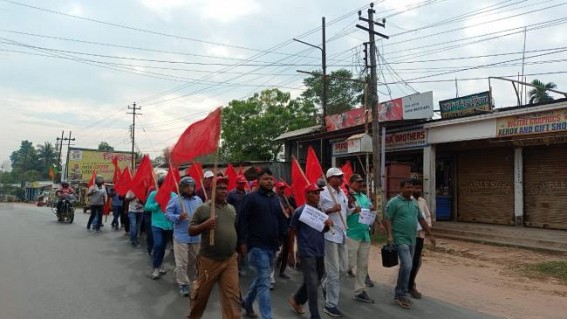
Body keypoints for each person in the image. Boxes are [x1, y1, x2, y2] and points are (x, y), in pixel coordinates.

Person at [238, 167, 288, 319]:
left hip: (272, 245)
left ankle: (247, 303)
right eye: (266, 179)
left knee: (262, 277)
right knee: (264, 282)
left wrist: (283, 237)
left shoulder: (275, 199)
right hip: (256, 245)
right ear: (258, 181)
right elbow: (242, 221)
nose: (269, 181)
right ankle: (267, 316)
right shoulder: (251, 198)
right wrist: (242, 242)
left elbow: (281, 220)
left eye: (271, 179)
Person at [187, 177, 241, 319]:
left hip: (230, 259)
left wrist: (238, 249)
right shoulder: (203, 209)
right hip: (209, 261)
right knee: (200, 297)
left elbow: (233, 229)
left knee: (233, 297)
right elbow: (191, 230)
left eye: (225, 188)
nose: (223, 191)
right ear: (211, 190)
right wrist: (205, 225)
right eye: (220, 188)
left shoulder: (231, 209)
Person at [384, 179, 435, 309]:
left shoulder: (414, 203)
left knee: (408, 266)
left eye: (411, 187)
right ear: (401, 188)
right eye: (407, 187)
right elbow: (388, 219)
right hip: (399, 238)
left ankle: (401, 289)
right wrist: (390, 235)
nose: (410, 190)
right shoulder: (394, 202)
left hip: (412, 238)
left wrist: (430, 234)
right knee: (407, 265)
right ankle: (401, 294)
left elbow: (421, 219)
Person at [288, 183, 334, 319]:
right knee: (313, 285)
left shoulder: (320, 211)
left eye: (318, 193)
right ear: (307, 195)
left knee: (315, 280)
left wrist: (328, 225)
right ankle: (315, 315)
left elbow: (323, 230)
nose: (317, 196)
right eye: (314, 193)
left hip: (320, 251)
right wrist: (292, 252)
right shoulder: (299, 212)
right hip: (307, 253)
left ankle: (297, 299)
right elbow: (292, 232)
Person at [319, 167, 353, 317]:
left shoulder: (342, 193)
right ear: (330, 178)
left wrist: (353, 209)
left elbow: (345, 211)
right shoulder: (322, 193)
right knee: (333, 271)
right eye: (338, 177)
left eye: (342, 177)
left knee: (344, 268)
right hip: (330, 235)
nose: (341, 179)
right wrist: (330, 210)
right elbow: (317, 213)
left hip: (342, 234)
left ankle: (325, 284)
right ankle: (330, 304)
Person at [165, 176, 202, 297]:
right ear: (182, 188)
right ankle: (183, 284)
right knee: (182, 263)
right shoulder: (176, 200)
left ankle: (189, 279)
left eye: (192, 186)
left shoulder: (198, 200)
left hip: (196, 236)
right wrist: (178, 217)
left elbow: (203, 214)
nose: (190, 189)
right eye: (187, 186)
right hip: (181, 236)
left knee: (192, 262)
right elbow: (168, 213)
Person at [344, 174, 377, 304]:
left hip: (365, 234)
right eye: (358, 182)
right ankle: (329, 281)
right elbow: (342, 213)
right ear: (351, 183)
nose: (361, 185)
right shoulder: (346, 197)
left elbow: (371, 211)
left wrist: (373, 210)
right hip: (352, 234)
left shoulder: (364, 197)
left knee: (363, 265)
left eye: (362, 183)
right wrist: (352, 210)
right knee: (348, 264)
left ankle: (360, 291)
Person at [145, 176, 175, 280]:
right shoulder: (154, 194)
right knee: (158, 244)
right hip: (157, 224)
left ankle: (160, 264)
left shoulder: (174, 195)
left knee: (163, 246)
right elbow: (147, 207)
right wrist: (157, 204)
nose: (165, 188)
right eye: (163, 185)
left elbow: (178, 208)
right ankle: (155, 267)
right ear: (159, 186)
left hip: (169, 225)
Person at [408, 181, 432, 299]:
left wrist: (428, 226)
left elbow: (427, 216)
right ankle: (406, 285)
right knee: (408, 261)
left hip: (420, 234)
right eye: (416, 188)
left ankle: (411, 283)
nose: (418, 190)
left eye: (420, 188)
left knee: (417, 261)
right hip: (409, 235)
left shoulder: (422, 201)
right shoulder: (409, 200)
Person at [272, 182, 294, 285]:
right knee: (274, 250)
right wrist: (285, 211)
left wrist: (290, 210)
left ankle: (282, 271)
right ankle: (271, 273)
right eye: (280, 188)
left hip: (287, 227)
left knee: (286, 250)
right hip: (277, 228)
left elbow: (290, 212)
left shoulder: (286, 199)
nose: (282, 190)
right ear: (277, 189)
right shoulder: (275, 200)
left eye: (283, 188)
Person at [227, 175, 249, 276]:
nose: (242, 185)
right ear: (236, 183)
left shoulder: (247, 194)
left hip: (244, 223)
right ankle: (232, 266)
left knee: (242, 244)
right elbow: (226, 207)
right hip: (233, 223)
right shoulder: (231, 194)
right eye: (240, 183)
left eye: (243, 183)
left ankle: (239, 266)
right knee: (234, 245)